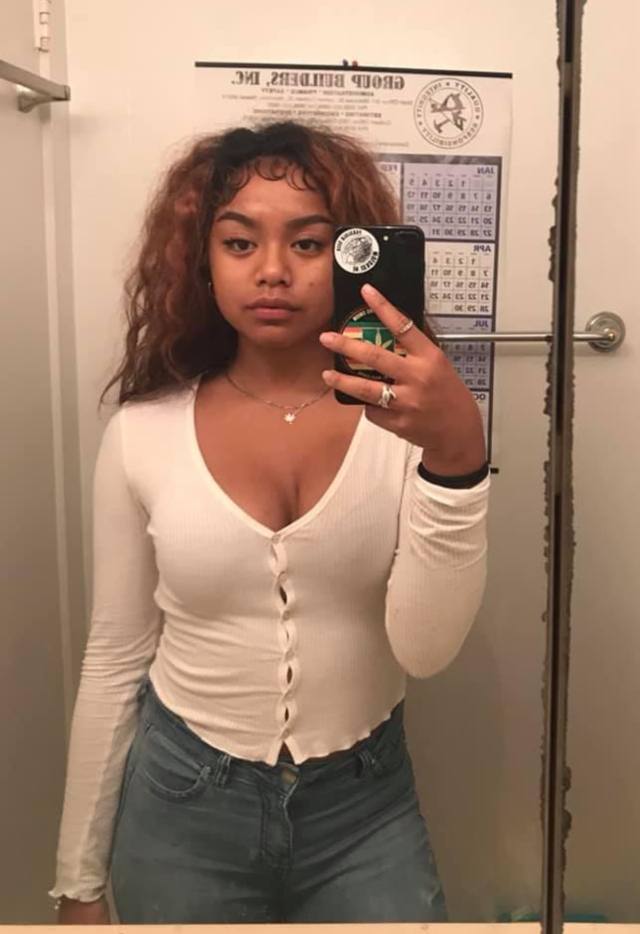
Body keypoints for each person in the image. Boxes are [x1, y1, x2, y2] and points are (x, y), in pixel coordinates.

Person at [50, 120, 490, 924]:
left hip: (365, 808)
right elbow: (115, 656)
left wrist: (457, 458)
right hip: (180, 801)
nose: (274, 271)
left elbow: (425, 651)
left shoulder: (407, 428)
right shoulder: (143, 434)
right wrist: (78, 881)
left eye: (309, 243)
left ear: (353, 257)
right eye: (240, 242)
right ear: (202, 262)